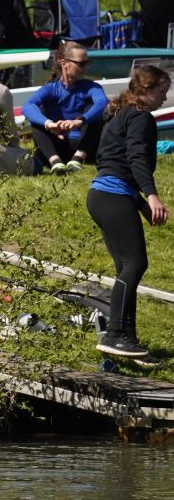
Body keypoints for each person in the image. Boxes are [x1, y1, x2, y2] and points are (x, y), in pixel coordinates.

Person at [86, 64, 170, 358]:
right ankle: (115, 335)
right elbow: (136, 158)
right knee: (136, 263)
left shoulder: (119, 114)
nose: (165, 98)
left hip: (102, 195)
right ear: (146, 89)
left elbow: (110, 161)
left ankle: (128, 339)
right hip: (113, 196)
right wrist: (152, 195)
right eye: (162, 91)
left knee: (127, 266)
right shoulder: (140, 117)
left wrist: (140, 204)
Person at [21, 41, 109, 173]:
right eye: (81, 64)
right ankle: (55, 162)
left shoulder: (91, 87)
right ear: (64, 63)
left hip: (84, 146)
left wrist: (80, 120)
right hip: (56, 145)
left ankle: (78, 158)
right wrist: (50, 124)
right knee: (37, 116)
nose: (86, 67)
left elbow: (103, 103)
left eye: (88, 63)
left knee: (95, 110)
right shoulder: (51, 89)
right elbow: (27, 106)